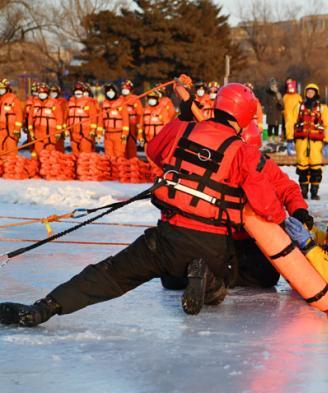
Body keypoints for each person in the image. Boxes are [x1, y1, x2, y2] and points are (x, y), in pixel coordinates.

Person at [0, 81, 288, 327]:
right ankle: (207, 280)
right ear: (247, 117)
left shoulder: (186, 131)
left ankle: (45, 307)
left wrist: (182, 117)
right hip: (213, 244)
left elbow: (153, 151)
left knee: (111, 273)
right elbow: (269, 210)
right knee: (226, 281)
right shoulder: (244, 153)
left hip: (167, 239)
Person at [161, 120, 313, 293]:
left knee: (265, 276)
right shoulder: (235, 161)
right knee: (263, 276)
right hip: (221, 236)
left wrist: (299, 211)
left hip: (223, 236)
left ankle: (205, 274)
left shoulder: (255, 164)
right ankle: (215, 276)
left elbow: (288, 188)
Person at [286, 83, 328, 200]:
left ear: (316, 93)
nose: (310, 94)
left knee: (316, 167)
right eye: (308, 92)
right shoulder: (298, 107)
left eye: (312, 92)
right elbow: (290, 122)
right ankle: (303, 192)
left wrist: (327, 141)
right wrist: (289, 139)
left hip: (316, 143)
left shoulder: (322, 108)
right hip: (301, 142)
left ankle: (314, 192)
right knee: (302, 167)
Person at [27, 82, 65, 156]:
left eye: (44, 93)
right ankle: (38, 166)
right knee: (38, 152)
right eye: (40, 93)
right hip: (37, 132)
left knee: (50, 152)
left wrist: (58, 132)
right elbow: (30, 118)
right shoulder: (35, 104)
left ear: (47, 93)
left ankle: (49, 166)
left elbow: (59, 118)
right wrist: (31, 131)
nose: (42, 94)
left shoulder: (54, 103)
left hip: (50, 133)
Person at [97, 82, 130, 159]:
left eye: (112, 91)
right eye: (108, 91)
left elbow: (125, 120)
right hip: (107, 134)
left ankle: (119, 170)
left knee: (119, 154)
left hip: (118, 134)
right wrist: (99, 133)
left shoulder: (121, 104)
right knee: (108, 155)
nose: (110, 93)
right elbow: (100, 120)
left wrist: (125, 134)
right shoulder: (104, 105)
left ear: (115, 92)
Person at [66, 81, 99, 154]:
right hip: (73, 132)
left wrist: (93, 130)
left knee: (85, 152)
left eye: (80, 91)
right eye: (76, 91)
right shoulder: (69, 103)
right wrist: (66, 129)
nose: (78, 92)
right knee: (75, 153)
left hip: (85, 132)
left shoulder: (88, 102)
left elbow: (93, 117)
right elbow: (67, 117)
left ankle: (86, 164)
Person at [0, 79, 23, 157]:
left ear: (7, 89)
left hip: (11, 130)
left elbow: (19, 115)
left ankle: (11, 168)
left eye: (2, 88)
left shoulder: (13, 100)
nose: (0, 90)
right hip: (1, 130)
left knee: (11, 151)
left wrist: (17, 129)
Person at [121, 80, 143, 158]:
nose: (124, 90)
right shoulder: (119, 100)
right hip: (121, 126)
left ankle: (132, 163)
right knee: (121, 148)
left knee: (131, 147)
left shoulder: (135, 100)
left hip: (132, 125)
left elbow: (139, 114)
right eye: (123, 88)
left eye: (126, 88)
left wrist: (139, 129)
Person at [262, 78, 283, 143]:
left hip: (277, 113)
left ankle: (276, 137)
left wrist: (279, 99)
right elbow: (265, 103)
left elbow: (282, 105)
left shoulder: (278, 94)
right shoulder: (268, 94)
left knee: (276, 126)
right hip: (270, 113)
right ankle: (270, 137)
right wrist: (268, 110)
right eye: (273, 85)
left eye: (275, 85)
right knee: (270, 126)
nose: (274, 87)